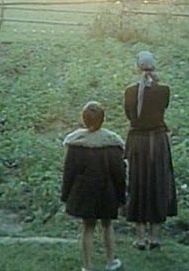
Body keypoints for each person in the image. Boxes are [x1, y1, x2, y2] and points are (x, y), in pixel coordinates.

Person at [61, 101, 125, 271]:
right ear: (103, 119)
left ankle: (87, 266)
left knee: (87, 227)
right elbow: (119, 173)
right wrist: (121, 196)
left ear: (83, 119)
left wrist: (66, 195)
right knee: (107, 225)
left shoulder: (76, 143)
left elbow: (69, 172)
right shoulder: (112, 142)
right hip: (107, 191)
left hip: (84, 191)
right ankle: (111, 262)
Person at [124, 51, 177, 250]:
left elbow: (130, 115)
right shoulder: (164, 90)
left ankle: (140, 238)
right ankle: (155, 238)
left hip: (137, 142)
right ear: (154, 67)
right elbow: (162, 108)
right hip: (158, 142)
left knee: (137, 184)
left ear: (137, 67)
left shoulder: (130, 91)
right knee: (157, 184)